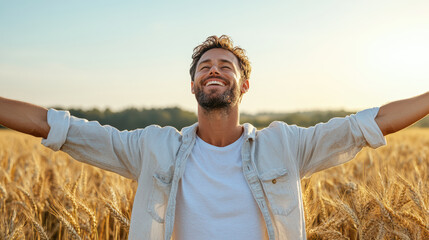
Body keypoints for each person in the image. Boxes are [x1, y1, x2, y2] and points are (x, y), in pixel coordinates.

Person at [0, 35, 428, 240]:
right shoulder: (153, 147)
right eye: (205, 66)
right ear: (193, 86)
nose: (214, 70)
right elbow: (59, 128)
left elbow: (370, 124)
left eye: (226, 66)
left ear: (243, 86)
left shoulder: (287, 145)